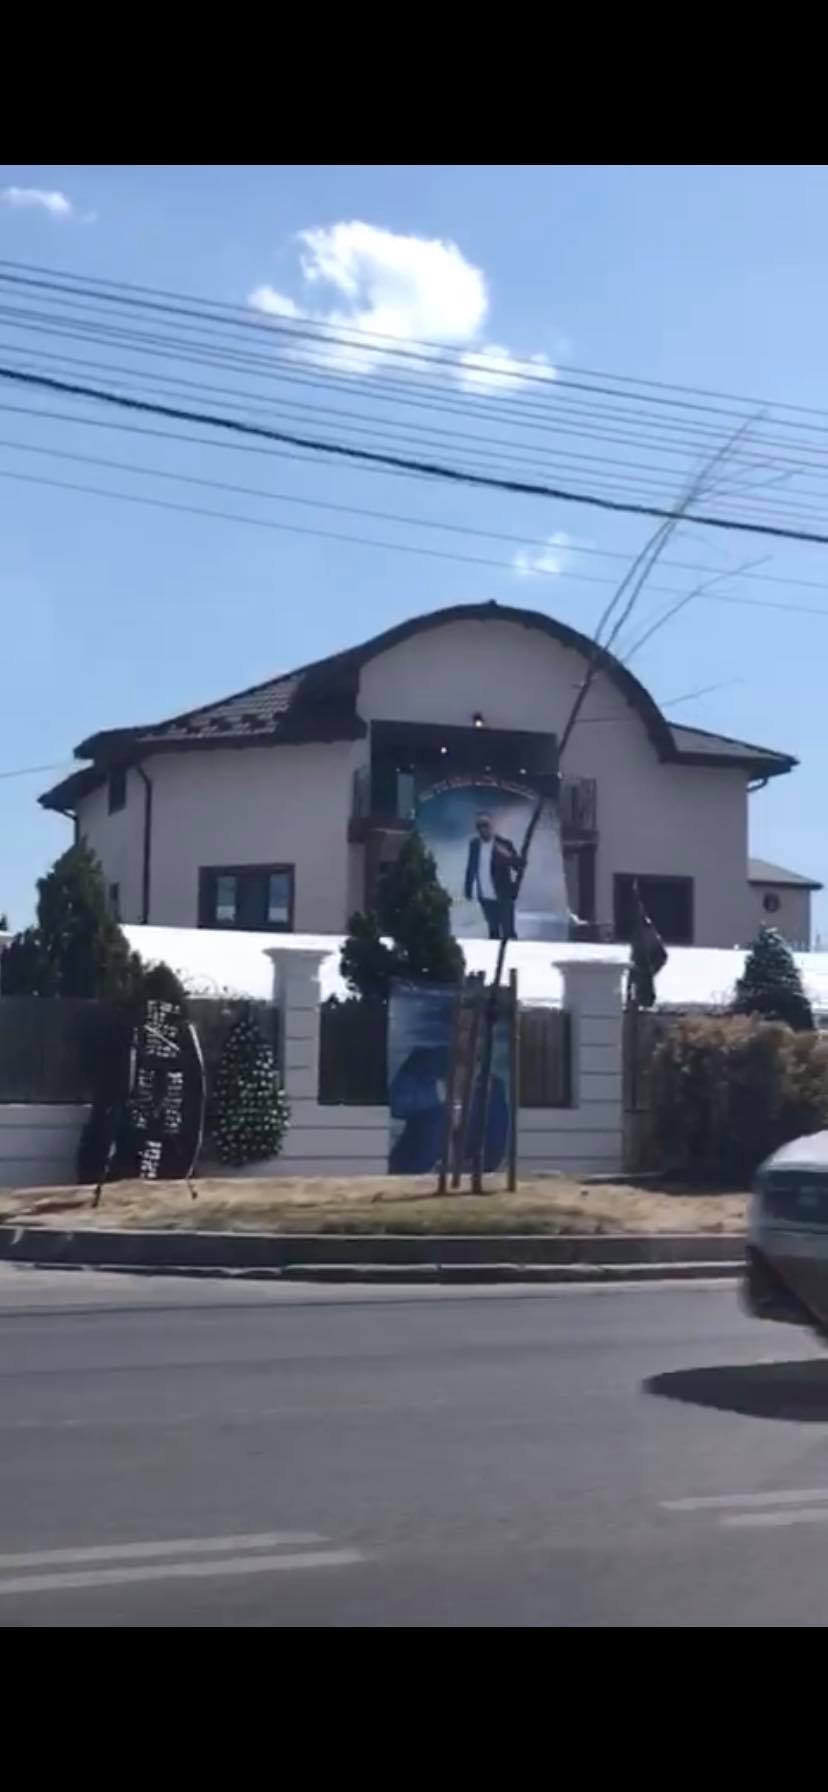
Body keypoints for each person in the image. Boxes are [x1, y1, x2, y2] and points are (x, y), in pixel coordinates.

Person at [464, 812, 521, 940]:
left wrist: (508, 856)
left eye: (486, 825)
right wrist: (468, 889)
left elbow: (518, 866)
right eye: (479, 826)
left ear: (492, 826)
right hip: (485, 896)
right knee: (493, 931)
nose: (483, 829)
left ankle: (511, 952)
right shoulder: (474, 845)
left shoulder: (503, 844)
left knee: (508, 931)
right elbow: (471, 868)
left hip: (503, 895)